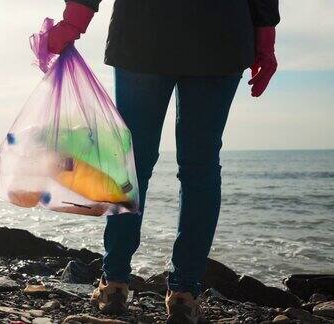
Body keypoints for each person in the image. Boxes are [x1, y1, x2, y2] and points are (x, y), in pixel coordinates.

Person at [47, 0, 280, 323]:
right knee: (201, 167)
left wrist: (74, 22)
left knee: (134, 163)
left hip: (145, 32)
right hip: (221, 34)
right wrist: (264, 40)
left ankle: (114, 282)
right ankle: (184, 293)